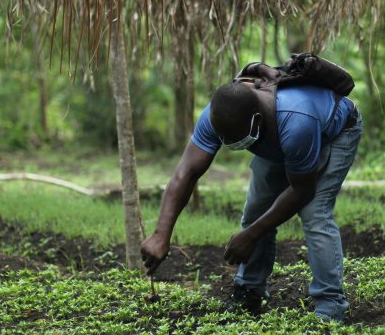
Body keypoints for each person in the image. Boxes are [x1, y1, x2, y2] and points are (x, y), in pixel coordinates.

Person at [140, 73, 362, 322]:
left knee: (314, 213)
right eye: (226, 140)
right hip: (278, 139)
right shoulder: (218, 114)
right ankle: (249, 292)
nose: (232, 144)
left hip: (334, 131)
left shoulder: (297, 121)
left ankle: (330, 305)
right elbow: (185, 173)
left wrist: (251, 234)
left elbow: (302, 190)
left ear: (256, 120)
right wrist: (161, 234)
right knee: (257, 209)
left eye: (238, 139)